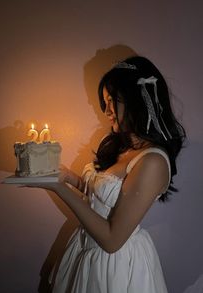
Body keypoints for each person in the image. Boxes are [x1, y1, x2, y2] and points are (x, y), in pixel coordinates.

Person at [35, 56, 186, 293]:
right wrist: (68, 177)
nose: (106, 111)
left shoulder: (153, 161)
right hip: (85, 251)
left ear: (135, 101)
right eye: (104, 102)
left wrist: (58, 187)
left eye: (111, 101)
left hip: (115, 267)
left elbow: (112, 239)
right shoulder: (118, 145)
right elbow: (102, 198)